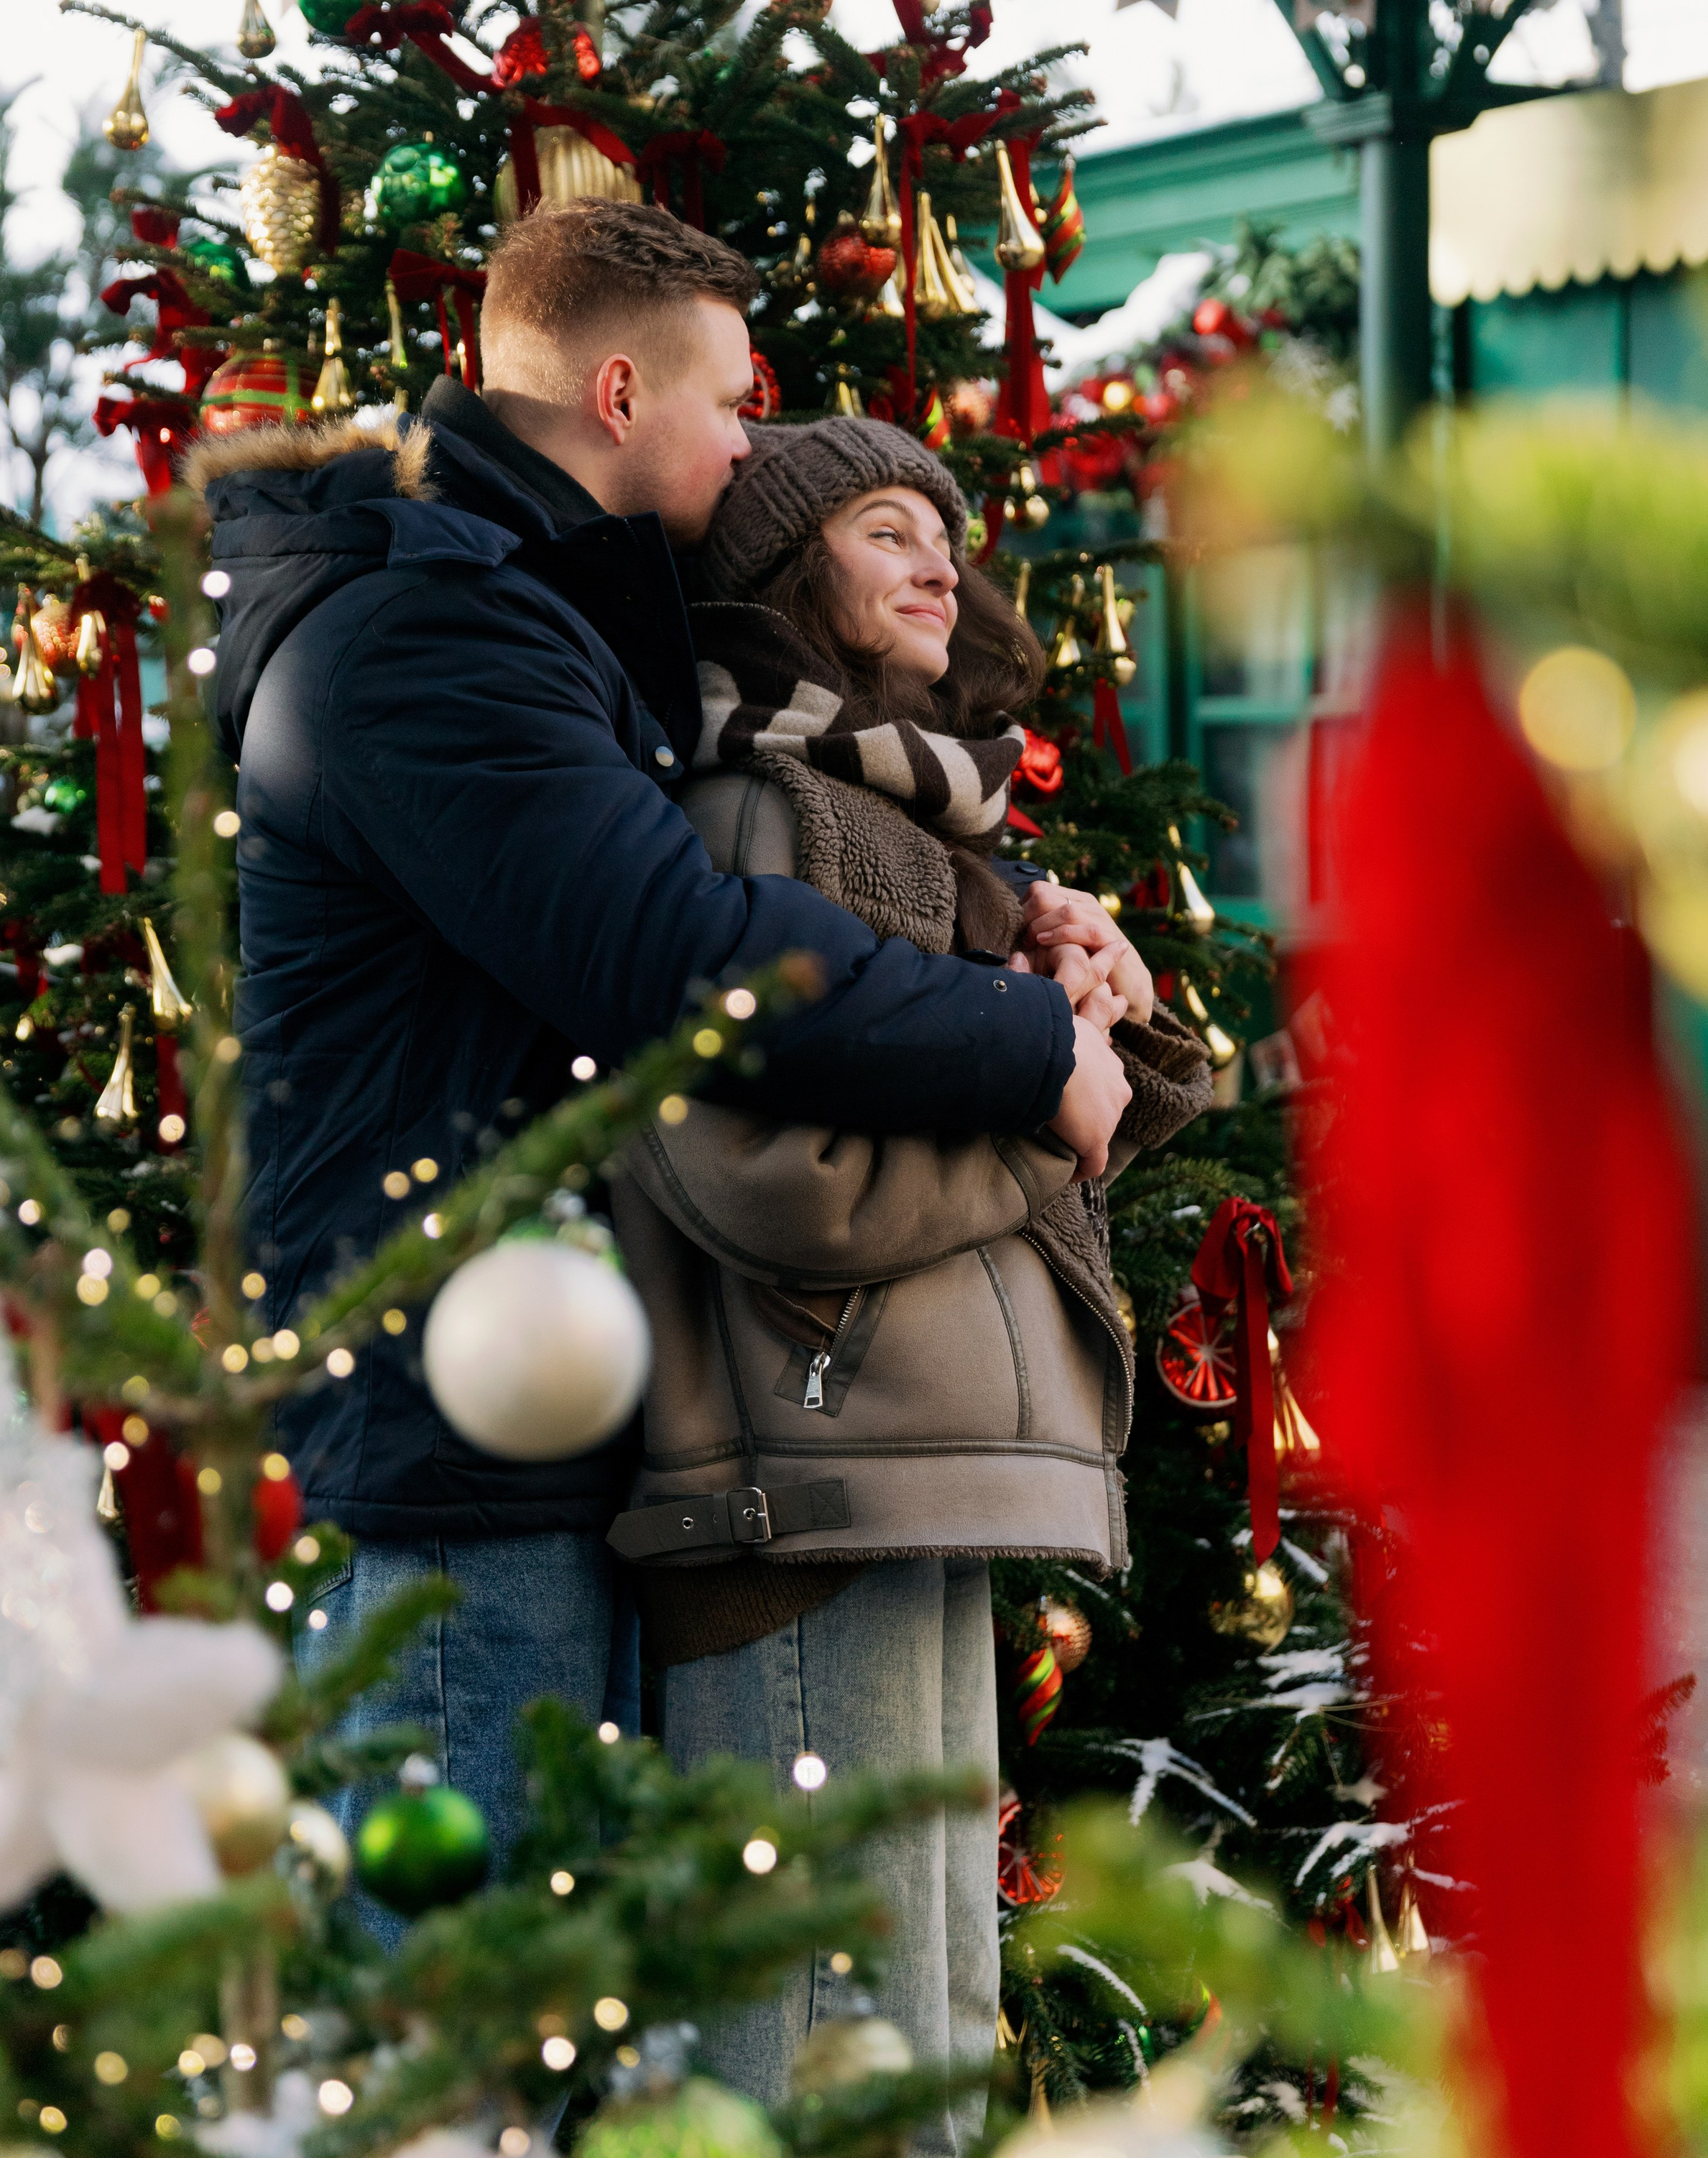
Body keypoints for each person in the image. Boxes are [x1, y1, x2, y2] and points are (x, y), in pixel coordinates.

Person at [186, 200, 1121, 1882]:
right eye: (731, 401)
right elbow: (677, 948)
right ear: (620, 395)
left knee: (543, 2019)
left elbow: (748, 816)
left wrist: (1025, 908)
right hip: (438, 1440)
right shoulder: (426, 634)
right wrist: (1022, 1043)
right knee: (457, 2038)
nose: (750, 437)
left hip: (522, 1400)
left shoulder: (521, 603)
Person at [606, 418, 1213, 2151]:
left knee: (930, 2022)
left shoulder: (917, 822)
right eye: (889, 530)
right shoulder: (753, 810)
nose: (942, 562)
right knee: (828, 2044)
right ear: (795, 572)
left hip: (917, 1466)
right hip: (799, 1494)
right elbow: (765, 1178)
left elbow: (1074, 1127)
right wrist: (1047, 1102)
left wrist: (1110, 1019)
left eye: (946, 531)